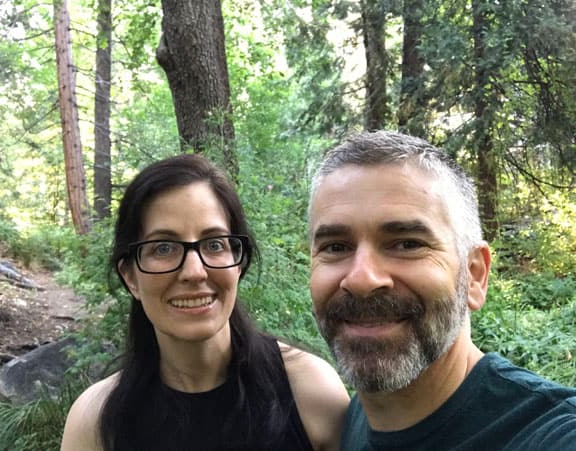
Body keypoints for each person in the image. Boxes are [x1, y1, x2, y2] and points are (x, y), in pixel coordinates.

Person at [308, 130, 576, 450]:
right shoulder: (352, 421)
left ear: (474, 275)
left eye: (408, 244)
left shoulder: (548, 434)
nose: (362, 279)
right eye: (336, 247)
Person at [61, 154, 349, 451]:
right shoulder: (95, 424)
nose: (194, 272)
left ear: (238, 264)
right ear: (130, 276)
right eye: (163, 248)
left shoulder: (311, 393)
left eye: (214, 244)